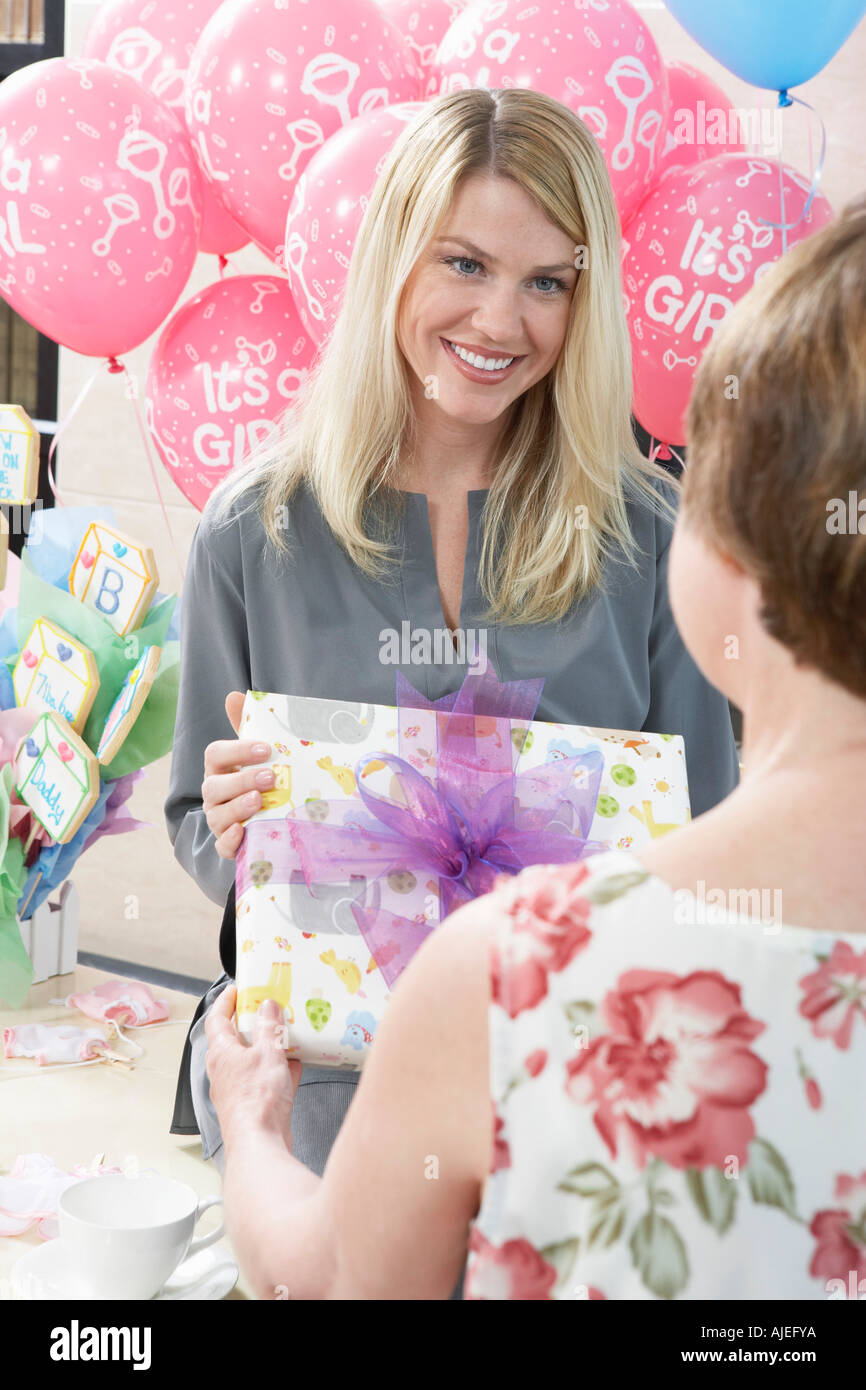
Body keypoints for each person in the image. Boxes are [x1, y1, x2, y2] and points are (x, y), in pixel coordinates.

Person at [203, 191, 866, 1300]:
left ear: (722, 550)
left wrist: (249, 1120)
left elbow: (328, 1284)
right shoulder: (251, 530)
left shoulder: (507, 972)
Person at [164, 88, 739, 1182]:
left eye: (545, 284)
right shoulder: (251, 529)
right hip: (324, 1090)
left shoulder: (652, 538)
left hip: (573, 1098)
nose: (498, 322)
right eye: (462, 264)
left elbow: (702, 841)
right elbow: (197, 816)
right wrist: (242, 828)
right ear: (393, 258)